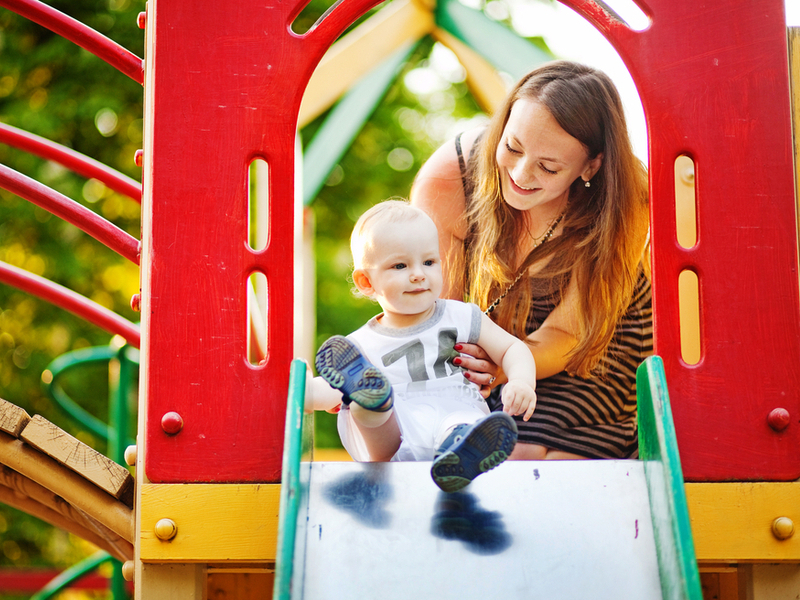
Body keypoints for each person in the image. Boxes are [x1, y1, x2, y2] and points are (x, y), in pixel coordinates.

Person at [410, 60, 652, 460]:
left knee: (530, 453)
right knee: (475, 441)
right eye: (513, 147)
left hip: (595, 345)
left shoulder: (625, 199)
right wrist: (474, 363)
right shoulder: (450, 178)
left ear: (591, 166)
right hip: (496, 342)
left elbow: (569, 335)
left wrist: (506, 365)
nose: (521, 173)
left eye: (549, 167)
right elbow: (440, 311)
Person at [308, 200, 537, 492]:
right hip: (391, 440)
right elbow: (332, 393)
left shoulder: (461, 316)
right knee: (361, 404)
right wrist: (302, 396)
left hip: (452, 409)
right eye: (400, 265)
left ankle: (461, 454)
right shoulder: (360, 344)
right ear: (366, 281)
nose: (418, 273)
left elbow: (511, 349)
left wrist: (521, 381)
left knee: (462, 422)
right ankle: (367, 400)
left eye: (428, 262)